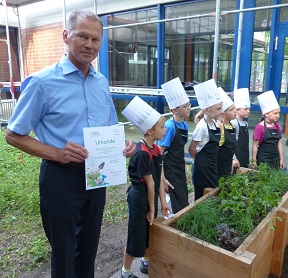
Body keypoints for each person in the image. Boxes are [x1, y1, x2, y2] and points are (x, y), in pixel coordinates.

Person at [5, 10, 135, 278]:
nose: (89, 44)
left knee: (88, 249)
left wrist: (124, 144)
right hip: (60, 178)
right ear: (66, 36)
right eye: (82, 36)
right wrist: (56, 153)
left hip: (97, 175)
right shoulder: (43, 83)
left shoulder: (100, 83)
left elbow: (110, 127)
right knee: (64, 254)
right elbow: (13, 135)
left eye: (96, 39)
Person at [121, 96, 170, 278]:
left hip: (150, 197)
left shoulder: (156, 150)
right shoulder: (142, 154)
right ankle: (125, 272)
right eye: (162, 127)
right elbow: (149, 183)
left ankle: (145, 263)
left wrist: (163, 202)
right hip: (139, 197)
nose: (165, 130)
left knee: (150, 230)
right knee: (135, 235)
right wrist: (151, 208)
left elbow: (159, 177)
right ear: (150, 131)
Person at [158, 77, 190, 214]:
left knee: (183, 200)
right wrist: (163, 178)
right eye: (186, 106)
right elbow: (160, 153)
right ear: (174, 109)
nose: (189, 108)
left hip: (179, 168)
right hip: (169, 169)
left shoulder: (185, 125)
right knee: (174, 202)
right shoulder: (169, 127)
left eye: (189, 104)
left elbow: (180, 150)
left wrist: (184, 170)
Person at [188, 79, 222, 201]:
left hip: (212, 165)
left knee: (213, 193)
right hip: (202, 168)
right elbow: (192, 149)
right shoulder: (202, 126)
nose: (220, 111)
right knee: (202, 196)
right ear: (207, 109)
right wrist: (200, 161)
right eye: (218, 109)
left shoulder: (214, 123)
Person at [252, 90, 285, 170]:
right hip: (263, 160)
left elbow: (279, 143)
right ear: (266, 114)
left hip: (275, 159)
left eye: (279, 113)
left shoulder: (277, 125)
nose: (278, 116)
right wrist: (253, 161)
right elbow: (255, 145)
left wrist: (281, 159)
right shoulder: (259, 127)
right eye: (275, 113)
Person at [217, 88, 237, 178]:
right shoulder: (220, 127)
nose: (235, 111)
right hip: (219, 167)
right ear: (222, 114)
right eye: (231, 109)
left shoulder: (232, 125)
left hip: (228, 165)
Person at [231, 88, 251, 169]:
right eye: (245, 109)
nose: (248, 111)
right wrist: (234, 157)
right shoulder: (234, 123)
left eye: (249, 109)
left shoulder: (246, 123)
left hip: (244, 156)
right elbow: (231, 143)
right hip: (236, 157)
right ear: (237, 110)